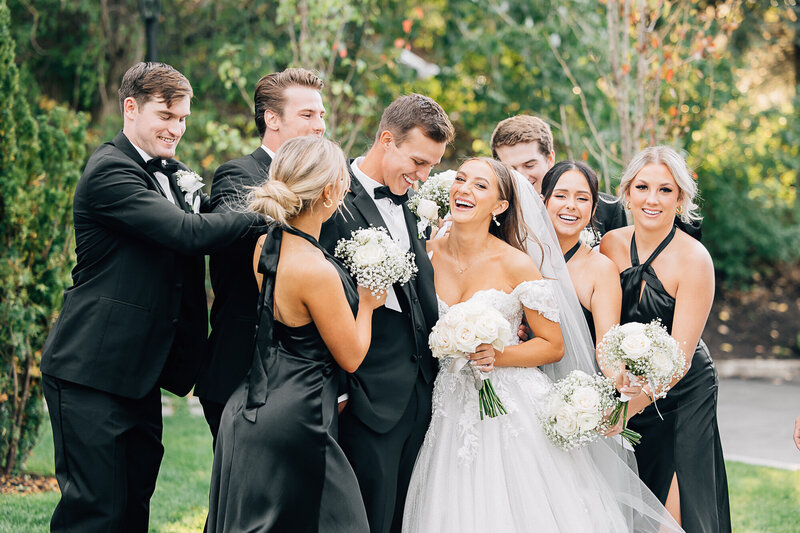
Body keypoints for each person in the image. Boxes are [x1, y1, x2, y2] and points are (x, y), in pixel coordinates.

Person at [403, 158, 680, 532]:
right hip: (449, 402)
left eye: (480, 185)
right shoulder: (428, 253)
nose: (465, 188)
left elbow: (553, 345)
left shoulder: (518, 263)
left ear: (501, 206)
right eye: (461, 179)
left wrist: (497, 354)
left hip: (510, 408)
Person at [40, 62, 256, 533]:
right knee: (95, 513)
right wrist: (263, 209)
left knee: (133, 506)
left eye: (182, 119)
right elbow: (187, 232)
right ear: (131, 107)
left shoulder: (171, 173)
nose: (176, 129)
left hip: (137, 374)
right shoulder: (109, 171)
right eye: (166, 115)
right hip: (90, 372)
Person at [208, 135, 383, 532]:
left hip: (251, 402)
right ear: (330, 192)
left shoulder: (263, 245)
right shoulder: (315, 271)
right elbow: (352, 355)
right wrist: (369, 304)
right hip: (299, 418)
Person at [319, 93, 454, 533]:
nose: (422, 176)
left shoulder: (412, 201)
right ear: (386, 140)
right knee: (367, 517)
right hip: (366, 391)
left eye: (431, 166)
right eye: (417, 162)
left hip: (421, 390)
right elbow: (321, 304)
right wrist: (339, 390)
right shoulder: (332, 200)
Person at [601, 145, 731, 531]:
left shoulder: (695, 260)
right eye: (642, 187)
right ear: (626, 193)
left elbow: (681, 358)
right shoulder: (610, 245)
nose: (651, 199)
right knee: (632, 502)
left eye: (665, 190)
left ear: (681, 198)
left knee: (677, 514)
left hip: (683, 393)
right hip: (631, 389)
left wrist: (627, 410)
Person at [196, 68, 326, 447]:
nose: (319, 126)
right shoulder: (237, 174)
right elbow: (244, 242)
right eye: (307, 115)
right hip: (241, 363)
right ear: (272, 119)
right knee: (237, 497)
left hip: (303, 371)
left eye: (321, 115)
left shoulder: (328, 184)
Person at [491, 114, 627, 238]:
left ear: (550, 159)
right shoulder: (493, 214)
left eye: (530, 165)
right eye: (510, 169)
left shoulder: (608, 208)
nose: (521, 176)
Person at [541, 160, 622, 344]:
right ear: (542, 201)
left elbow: (607, 347)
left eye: (582, 198)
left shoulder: (602, 270)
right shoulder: (522, 254)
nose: (571, 205)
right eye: (560, 196)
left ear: (593, 209)